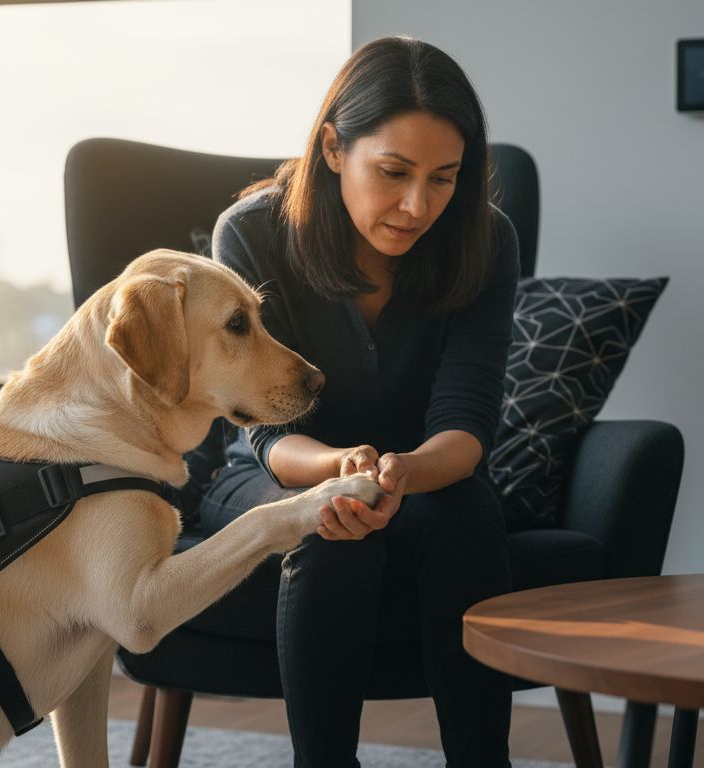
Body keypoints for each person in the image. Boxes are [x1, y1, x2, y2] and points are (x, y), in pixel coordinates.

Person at [200, 35, 520, 768]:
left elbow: (467, 424)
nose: (418, 205)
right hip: (273, 467)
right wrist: (335, 468)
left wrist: (400, 471)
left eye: (444, 179)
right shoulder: (251, 234)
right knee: (328, 532)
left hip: (419, 472)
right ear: (334, 148)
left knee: (468, 513)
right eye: (394, 172)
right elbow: (257, 433)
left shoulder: (484, 241)